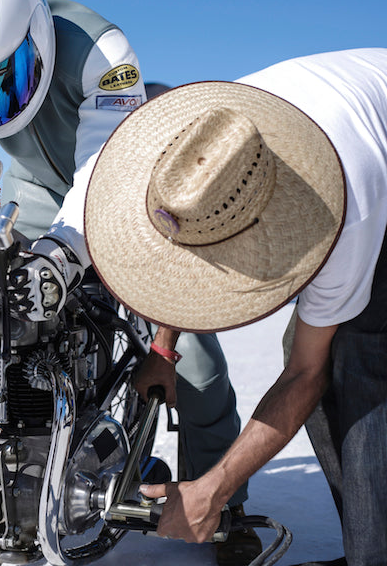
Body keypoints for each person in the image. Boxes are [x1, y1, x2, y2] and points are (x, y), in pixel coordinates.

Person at [0, 0, 257, 562]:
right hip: (37, 188)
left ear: (33, 37)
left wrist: (63, 258)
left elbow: (102, 179)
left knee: (190, 354)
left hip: (137, 177)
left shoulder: (99, 49)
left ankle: (224, 500)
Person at [84, 48, 387, 566]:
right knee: (308, 342)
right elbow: (187, 249)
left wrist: (216, 487)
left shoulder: (346, 215)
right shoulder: (211, 148)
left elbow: (306, 374)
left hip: (369, 168)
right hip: (350, 123)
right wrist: (162, 346)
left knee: (358, 357)